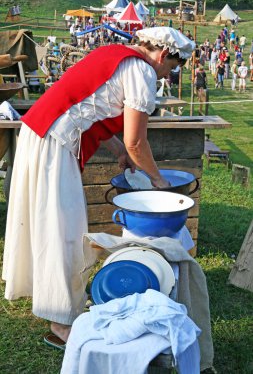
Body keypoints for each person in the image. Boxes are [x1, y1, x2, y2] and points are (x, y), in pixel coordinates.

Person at [2, 28, 195, 347]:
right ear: (162, 55)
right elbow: (137, 141)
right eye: (171, 67)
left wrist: (118, 150)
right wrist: (158, 181)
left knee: (49, 224)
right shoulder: (142, 71)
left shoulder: (115, 54)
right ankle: (62, 323)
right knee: (64, 230)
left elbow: (91, 108)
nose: (167, 74)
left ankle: (56, 305)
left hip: (38, 134)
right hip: (53, 143)